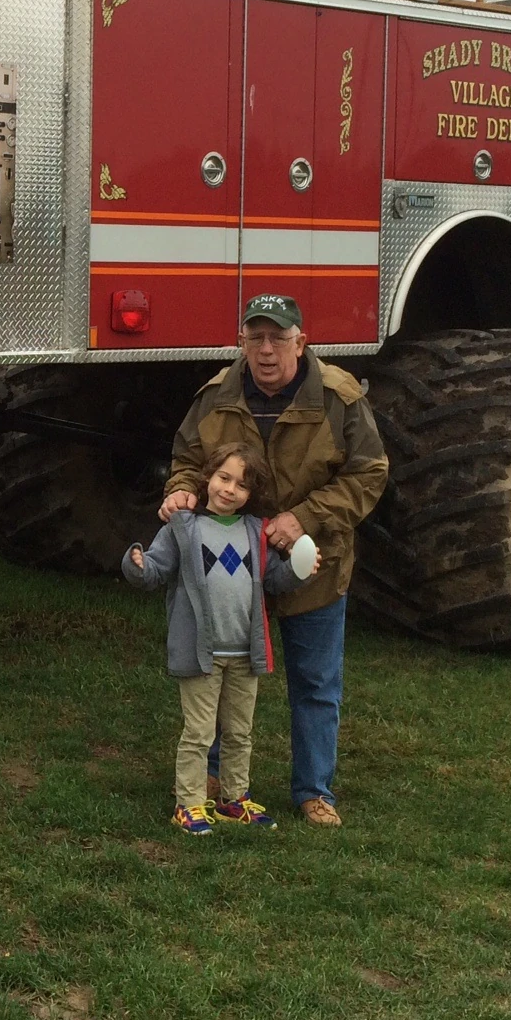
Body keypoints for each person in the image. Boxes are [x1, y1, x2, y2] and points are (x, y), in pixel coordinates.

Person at [158, 296, 387, 827]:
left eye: (278, 339)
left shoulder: (339, 399)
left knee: (314, 683)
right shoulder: (215, 397)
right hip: (227, 575)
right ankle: (213, 777)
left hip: (314, 569)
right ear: (242, 342)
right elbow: (188, 463)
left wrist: (304, 517)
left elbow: (370, 475)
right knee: (216, 673)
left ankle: (313, 791)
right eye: (254, 337)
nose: (265, 351)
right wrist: (181, 494)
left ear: (301, 343)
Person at [124, 442, 316, 835]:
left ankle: (234, 799)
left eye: (241, 485)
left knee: (240, 731)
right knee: (199, 732)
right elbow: (156, 570)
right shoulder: (182, 528)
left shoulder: (255, 531)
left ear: (251, 494)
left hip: (246, 652)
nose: (229, 489)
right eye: (223, 478)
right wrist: (137, 563)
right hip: (201, 654)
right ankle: (189, 804)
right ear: (208, 477)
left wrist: (300, 569)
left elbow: (274, 581)